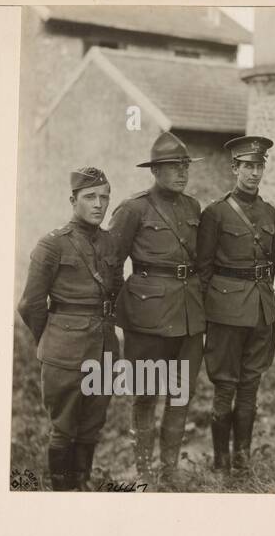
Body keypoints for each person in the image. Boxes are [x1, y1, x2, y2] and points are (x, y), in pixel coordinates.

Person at [16, 167, 122, 490]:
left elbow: (115, 290)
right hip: (65, 351)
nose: (98, 205)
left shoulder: (110, 242)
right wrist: (53, 339)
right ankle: (61, 492)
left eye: (104, 198)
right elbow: (30, 304)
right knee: (63, 426)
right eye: (90, 197)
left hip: (103, 346)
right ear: (73, 200)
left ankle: (82, 484)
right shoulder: (52, 246)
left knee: (92, 423)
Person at [109, 131, 205, 487]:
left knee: (181, 393)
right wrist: (128, 307)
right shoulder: (133, 209)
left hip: (189, 313)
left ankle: (170, 469)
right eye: (173, 166)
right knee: (146, 393)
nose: (182, 172)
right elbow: (110, 263)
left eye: (185, 166)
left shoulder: (194, 207)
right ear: (155, 171)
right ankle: (144, 469)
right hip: (147, 318)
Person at [197, 135, 275, 472]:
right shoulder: (215, 213)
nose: (254, 173)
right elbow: (203, 268)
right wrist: (210, 313)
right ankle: (221, 461)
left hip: (260, 311)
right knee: (225, 387)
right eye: (247, 166)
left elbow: (271, 264)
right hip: (226, 312)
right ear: (234, 168)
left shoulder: (270, 212)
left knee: (250, 387)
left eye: (259, 166)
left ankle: (242, 460)